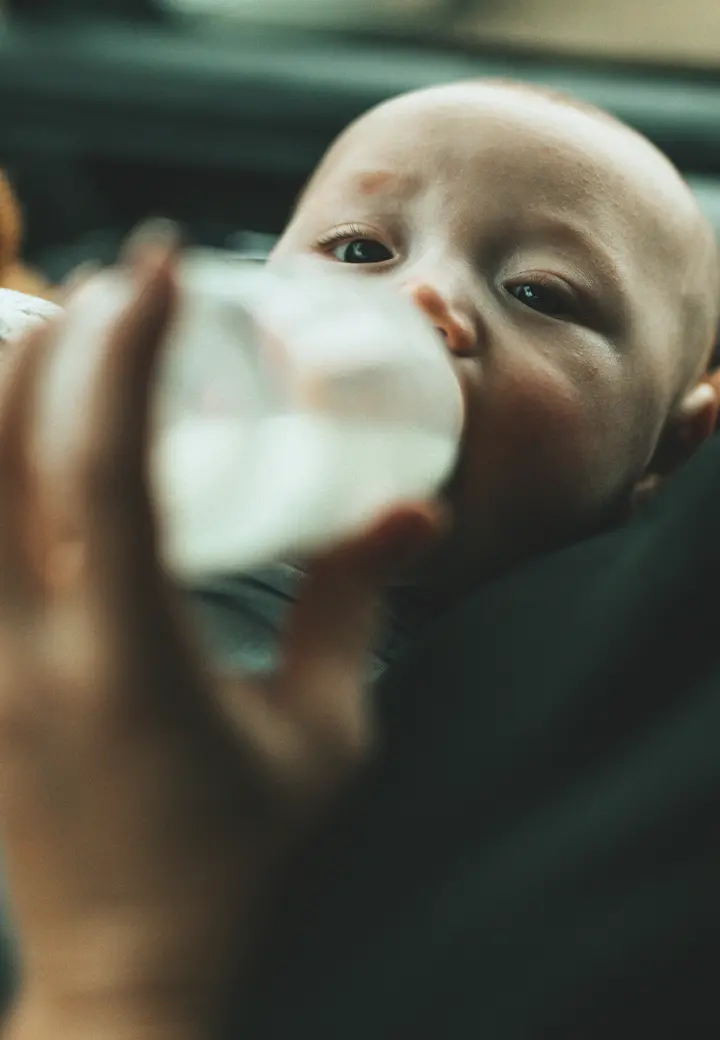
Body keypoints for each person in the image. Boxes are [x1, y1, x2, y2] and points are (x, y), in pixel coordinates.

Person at [0, 79, 719, 1040]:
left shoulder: (501, 717)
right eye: (358, 250)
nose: (419, 300)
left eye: (540, 293)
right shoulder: (165, 465)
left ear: (673, 452)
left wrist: (127, 974)